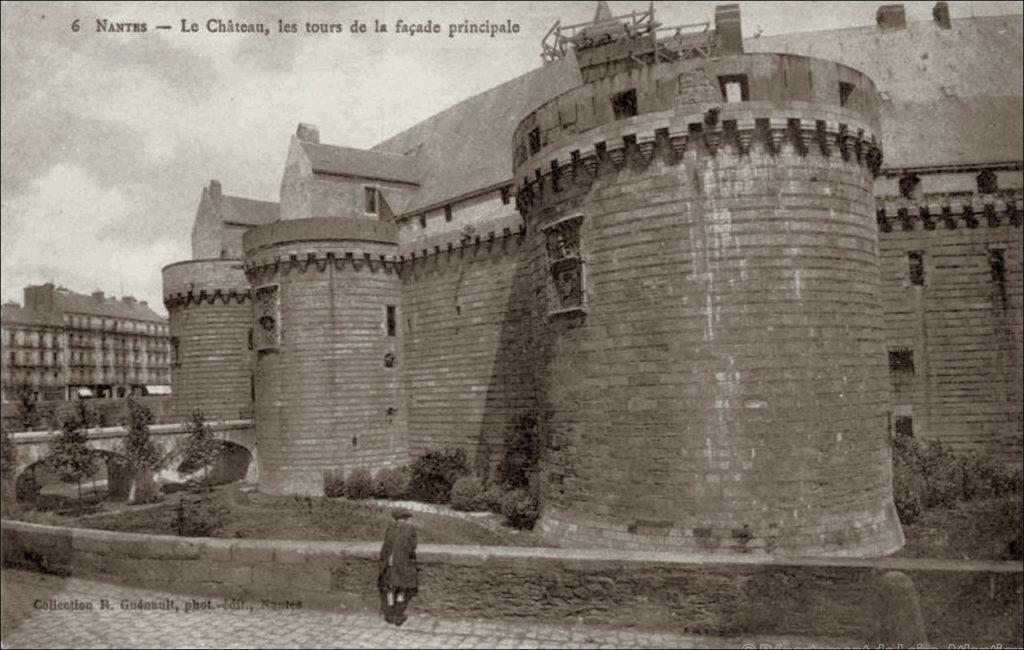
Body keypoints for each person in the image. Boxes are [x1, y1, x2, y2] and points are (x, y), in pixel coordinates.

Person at [378, 507, 418, 625]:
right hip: (403, 563)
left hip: (389, 563)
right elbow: (412, 546)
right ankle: (398, 614)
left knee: (390, 588)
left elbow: (385, 546)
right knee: (401, 588)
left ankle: (389, 614)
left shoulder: (390, 528)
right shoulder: (410, 528)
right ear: (405, 518)